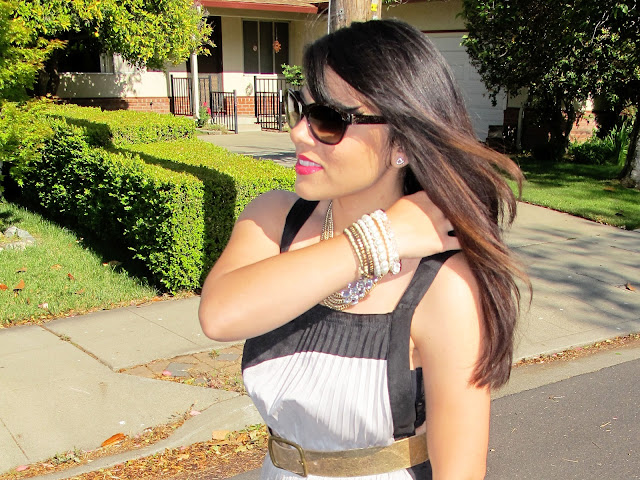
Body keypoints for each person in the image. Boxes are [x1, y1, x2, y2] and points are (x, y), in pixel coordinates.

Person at [199, 19, 526, 480]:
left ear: (402, 143)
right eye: (299, 108)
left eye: (328, 119)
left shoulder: (444, 282)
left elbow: (461, 472)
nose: (299, 133)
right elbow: (219, 316)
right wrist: (377, 239)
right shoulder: (275, 220)